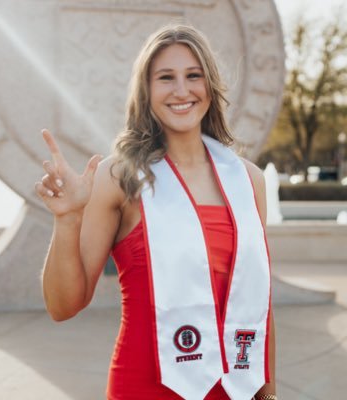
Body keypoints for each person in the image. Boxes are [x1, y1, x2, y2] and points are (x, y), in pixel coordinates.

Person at [35, 24, 277, 400]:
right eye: (166, 77)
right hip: (144, 387)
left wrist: (269, 395)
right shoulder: (120, 177)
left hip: (235, 390)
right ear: (146, 91)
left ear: (209, 86)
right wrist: (67, 218)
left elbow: (260, 305)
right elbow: (63, 305)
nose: (182, 90)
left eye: (193, 76)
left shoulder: (249, 182)